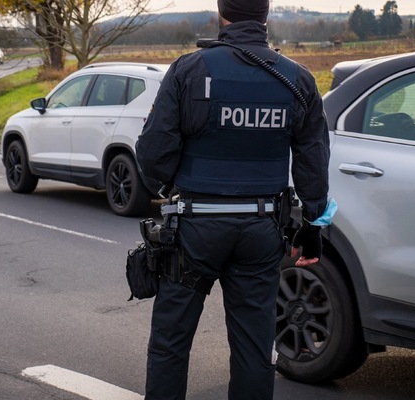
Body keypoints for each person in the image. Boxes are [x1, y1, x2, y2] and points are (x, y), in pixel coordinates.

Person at [134, 0, 330, 398]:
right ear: (266, 15)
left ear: (221, 15)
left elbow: (153, 153)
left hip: (193, 232)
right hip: (262, 232)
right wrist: (313, 225)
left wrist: (169, 187)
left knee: (170, 345)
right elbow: (313, 158)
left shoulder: (189, 70)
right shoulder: (297, 78)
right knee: (254, 349)